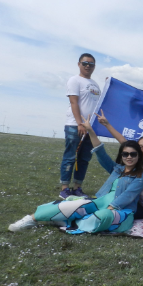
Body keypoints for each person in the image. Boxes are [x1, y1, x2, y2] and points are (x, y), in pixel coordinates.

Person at [8, 116, 143, 234]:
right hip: (99, 202)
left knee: (103, 216)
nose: (129, 157)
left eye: (133, 154)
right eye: (125, 154)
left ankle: (67, 220)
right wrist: (90, 130)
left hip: (120, 210)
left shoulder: (140, 175)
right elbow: (100, 153)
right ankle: (31, 219)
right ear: (121, 155)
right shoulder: (116, 169)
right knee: (72, 205)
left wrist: (110, 208)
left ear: (138, 156)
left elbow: (128, 195)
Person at [93, 110, 143, 226]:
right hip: (136, 200)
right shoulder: (141, 163)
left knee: (117, 210)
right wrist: (107, 124)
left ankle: (100, 215)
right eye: (141, 146)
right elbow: (124, 143)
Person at [59, 53, 101, 199]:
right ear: (79, 64)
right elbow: (73, 102)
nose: (88, 66)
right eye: (85, 63)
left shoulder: (95, 84)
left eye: (91, 64)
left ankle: (77, 187)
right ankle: (65, 188)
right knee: (70, 157)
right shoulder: (74, 80)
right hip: (75, 125)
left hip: (91, 127)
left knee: (84, 159)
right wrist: (79, 123)